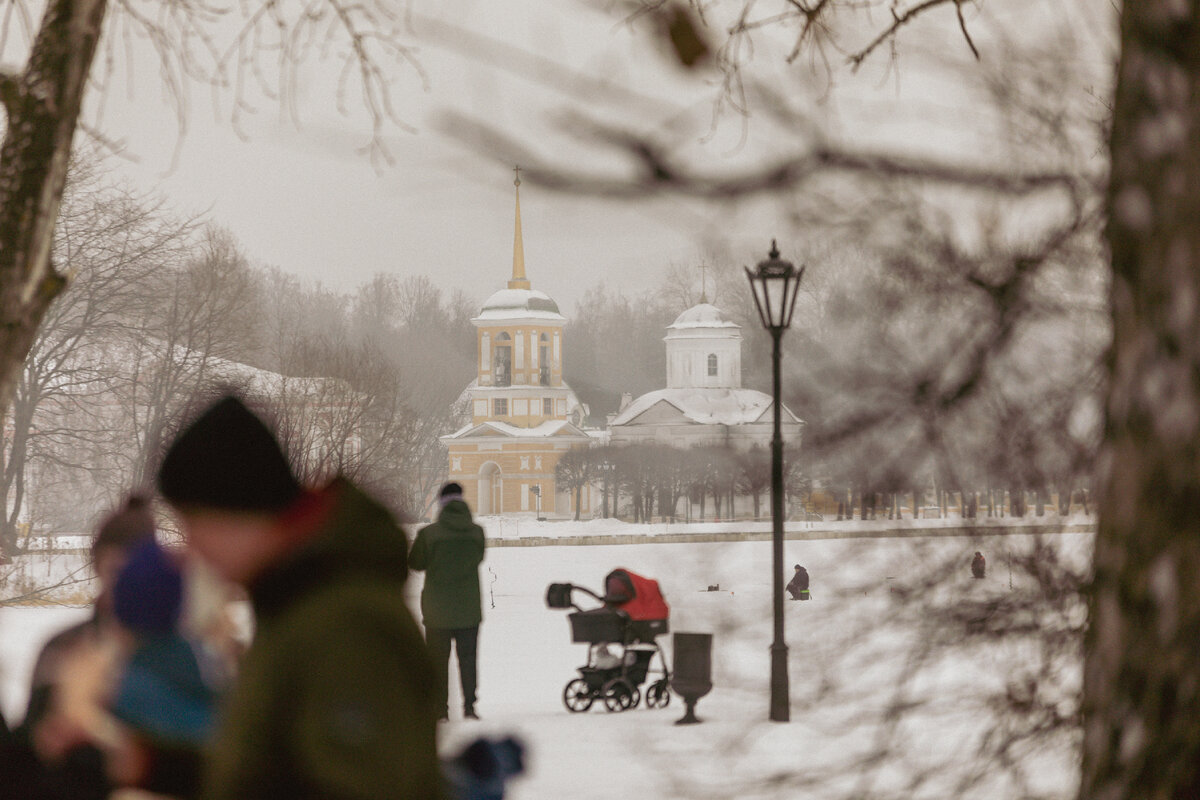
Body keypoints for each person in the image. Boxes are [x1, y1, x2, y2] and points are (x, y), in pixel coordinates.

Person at [156, 394, 440, 800]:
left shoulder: (348, 625)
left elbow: (359, 785)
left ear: (237, 510)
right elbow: (277, 770)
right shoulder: (295, 605)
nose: (187, 551)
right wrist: (152, 766)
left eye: (192, 524)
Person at [8, 496, 158, 800]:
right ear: (99, 566)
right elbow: (25, 747)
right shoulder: (63, 647)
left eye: (135, 570)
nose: (124, 584)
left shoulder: (178, 654)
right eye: (115, 569)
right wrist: (43, 740)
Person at [409, 482, 486, 722]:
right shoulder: (476, 532)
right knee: (468, 659)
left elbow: (416, 563)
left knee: (438, 663)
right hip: (469, 609)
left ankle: (440, 710)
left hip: (437, 611)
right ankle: (470, 707)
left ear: (441, 504)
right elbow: (479, 558)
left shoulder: (429, 534)